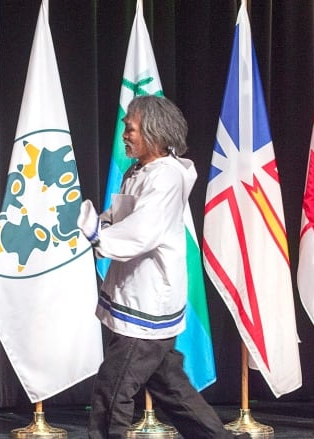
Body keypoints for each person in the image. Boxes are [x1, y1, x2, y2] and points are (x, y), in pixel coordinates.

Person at [78, 95, 249, 439]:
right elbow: (125, 216)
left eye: (131, 128)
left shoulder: (166, 177)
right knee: (173, 391)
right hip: (137, 296)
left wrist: (98, 235)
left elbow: (143, 231)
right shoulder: (139, 170)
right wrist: (103, 223)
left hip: (148, 302)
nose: (124, 134)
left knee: (111, 393)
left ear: (154, 133)